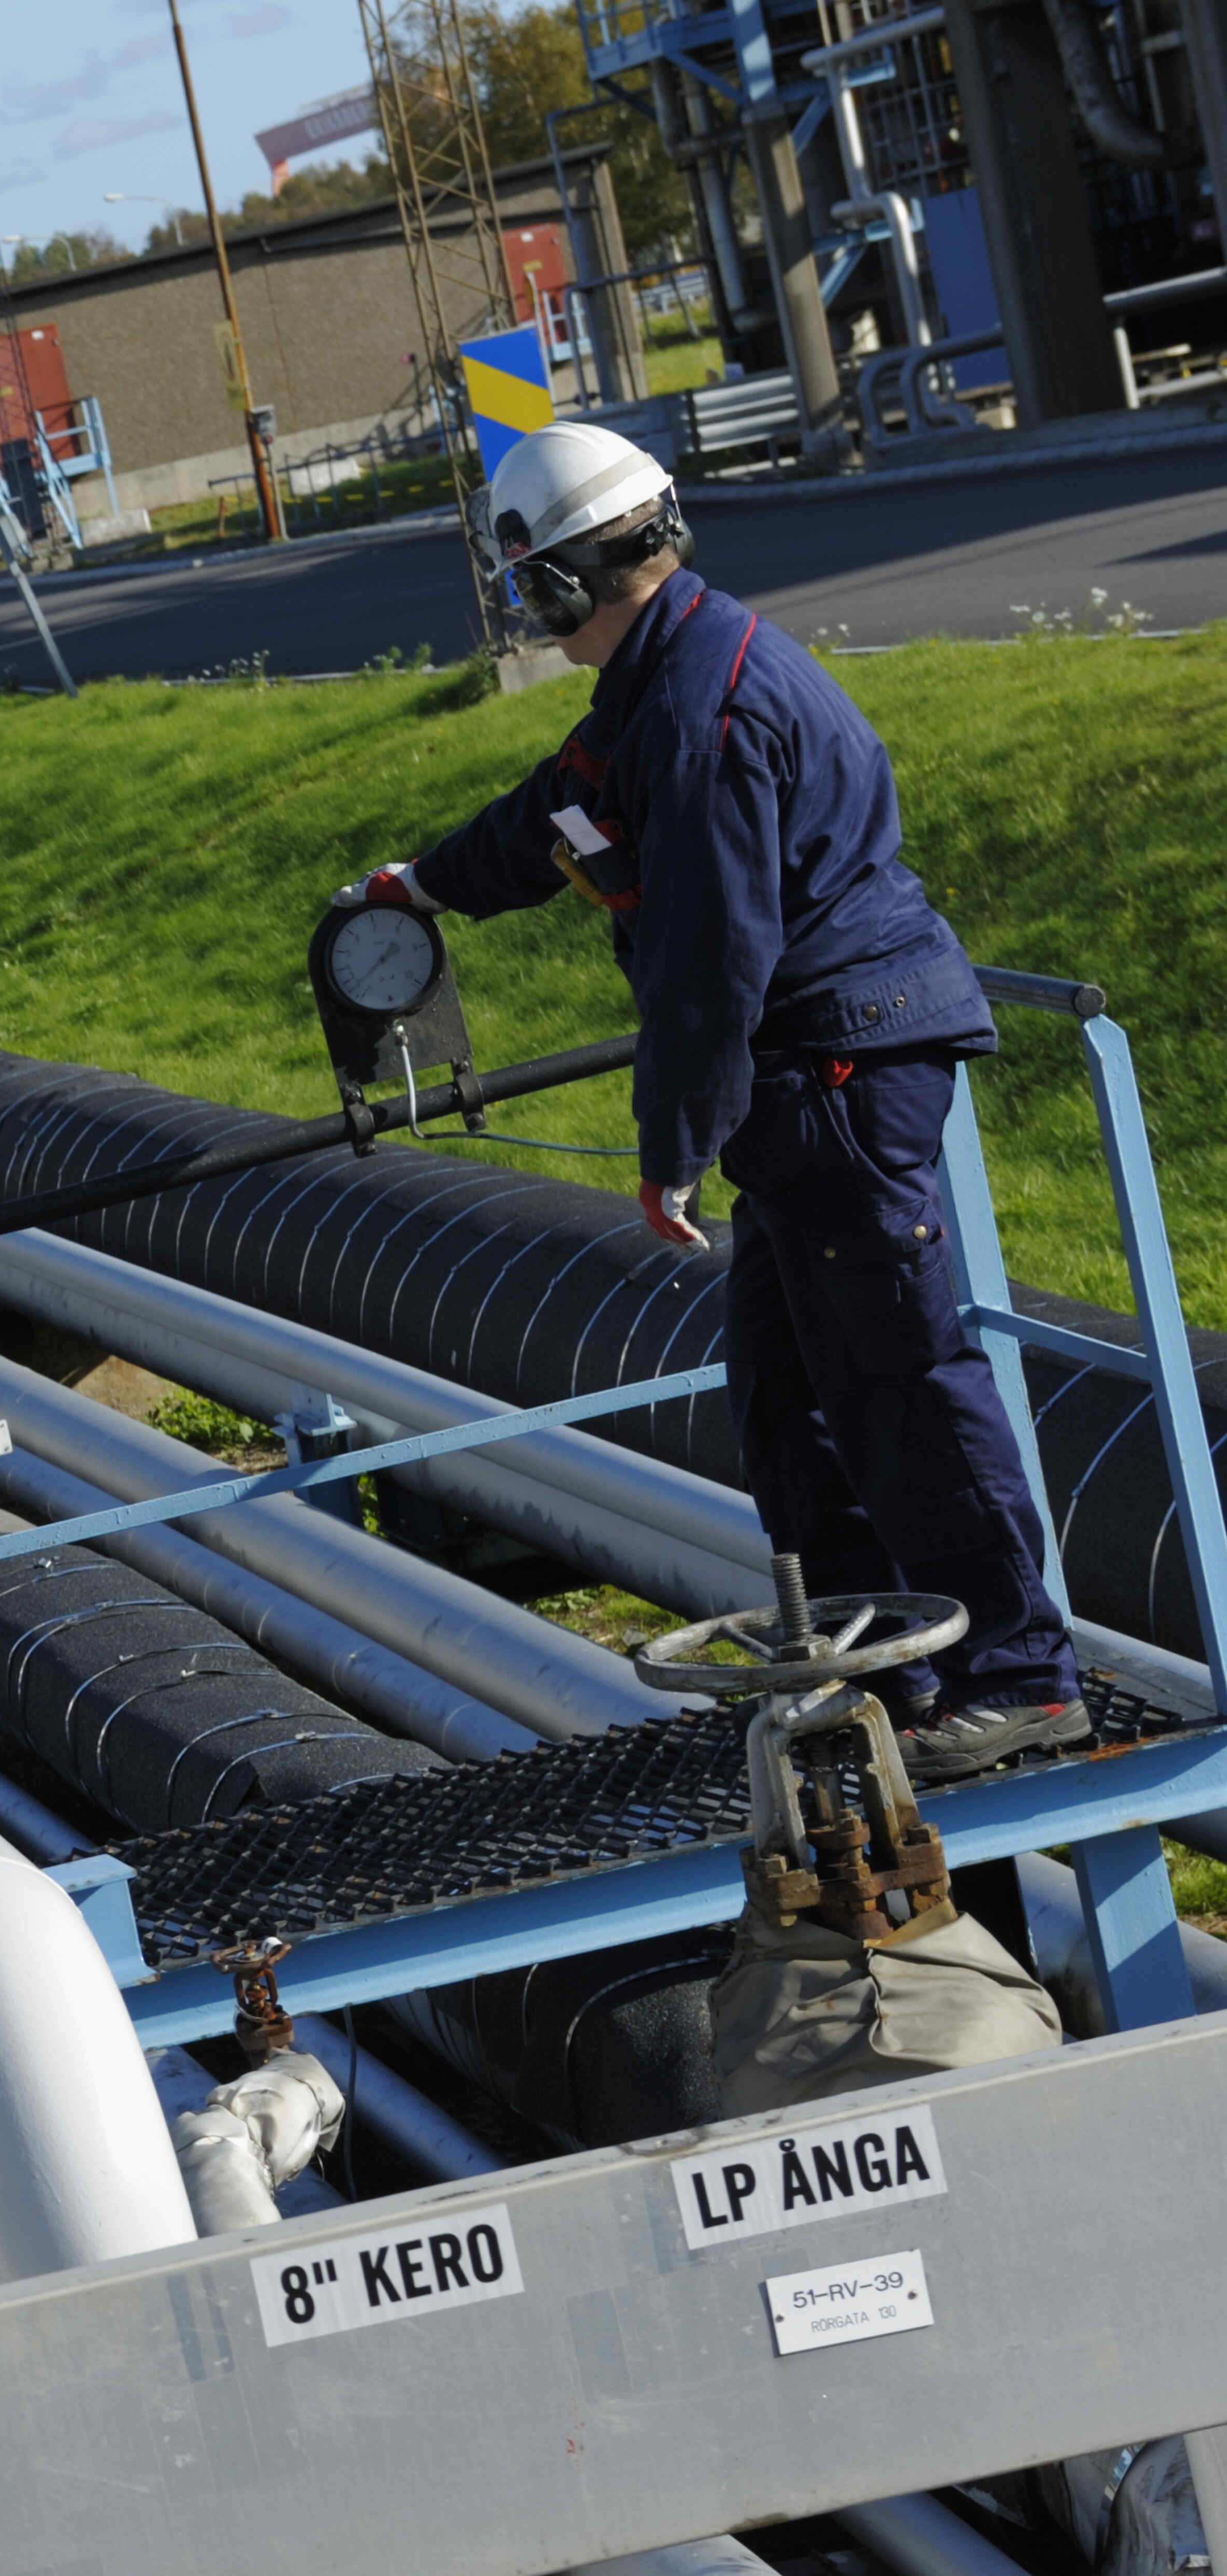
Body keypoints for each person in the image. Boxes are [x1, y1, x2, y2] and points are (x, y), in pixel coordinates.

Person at [335, 421, 1085, 1783]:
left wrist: (670, 1149)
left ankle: (1021, 1678)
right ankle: (885, 1663)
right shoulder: (667, 678)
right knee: (793, 1399)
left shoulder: (700, 715)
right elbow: (549, 820)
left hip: (839, 1068)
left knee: (904, 1380)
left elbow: (706, 961)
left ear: (556, 583)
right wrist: (420, 887)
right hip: (810, 1082)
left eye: (529, 588)